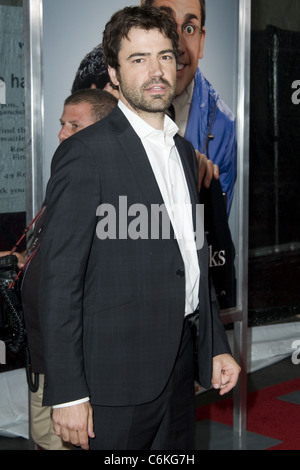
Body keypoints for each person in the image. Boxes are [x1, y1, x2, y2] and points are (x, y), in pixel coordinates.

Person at [38, 5, 240, 451]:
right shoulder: (86, 154)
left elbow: (191, 263)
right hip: (111, 385)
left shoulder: (185, 155)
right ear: (113, 71)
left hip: (178, 371)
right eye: (138, 59)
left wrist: (214, 346)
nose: (156, 70)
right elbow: (59, 281)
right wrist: (68, 392)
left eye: (165, 56)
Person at [20, 88, 118, 451]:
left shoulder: (109, 190)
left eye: (73, 125)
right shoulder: (67, 176)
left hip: (71, 362)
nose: (61, 133)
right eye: (62, 124)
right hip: (42, 352)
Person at [141, 0, 237, 214]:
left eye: (189, 29)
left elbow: (212, 235)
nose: (178, 46)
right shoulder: (107, 100)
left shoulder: (223, 126)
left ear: (201, 42)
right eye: (165, 22)